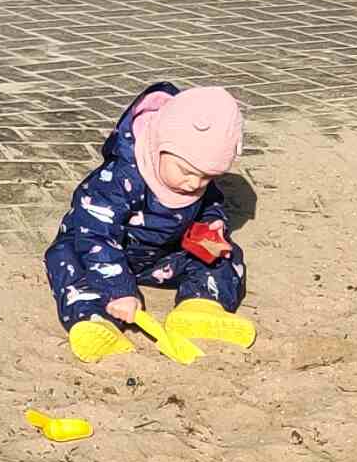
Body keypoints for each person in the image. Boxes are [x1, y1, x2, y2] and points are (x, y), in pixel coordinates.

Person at [45, 82, 252, 363]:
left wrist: (212, 224)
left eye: (206, 178)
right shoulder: (120, 178)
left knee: (226, 257)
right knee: (67, 261)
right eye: (187, 172)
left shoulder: (195, 180)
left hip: (162, 255)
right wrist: (119, 290)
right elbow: (95, 235)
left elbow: (210, 203)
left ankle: (202, 304)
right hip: (99, 249)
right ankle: (94, 319)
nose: (194, 183)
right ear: (160, 146)